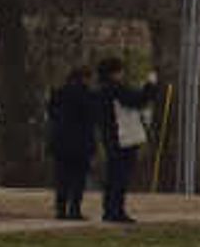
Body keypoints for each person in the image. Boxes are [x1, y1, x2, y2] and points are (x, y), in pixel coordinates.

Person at [92, 57, 161, 225]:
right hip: (122, 137)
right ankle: (116, 210)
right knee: (120, 176)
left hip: (110, 136)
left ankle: (109, 209)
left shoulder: (100, 91)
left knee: (113, 175)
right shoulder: (115, 89)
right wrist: (150, 85)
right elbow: (138, 100)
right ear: (114, 73)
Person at [43, 65, 102, 221]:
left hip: (60, 142)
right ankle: (74, 209)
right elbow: (93, 117)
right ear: (85, 78)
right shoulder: (88, 95)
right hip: (80, 143)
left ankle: (60, 209)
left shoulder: (59, 93)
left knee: (61, 177)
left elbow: (51, 113)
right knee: (78, 178)